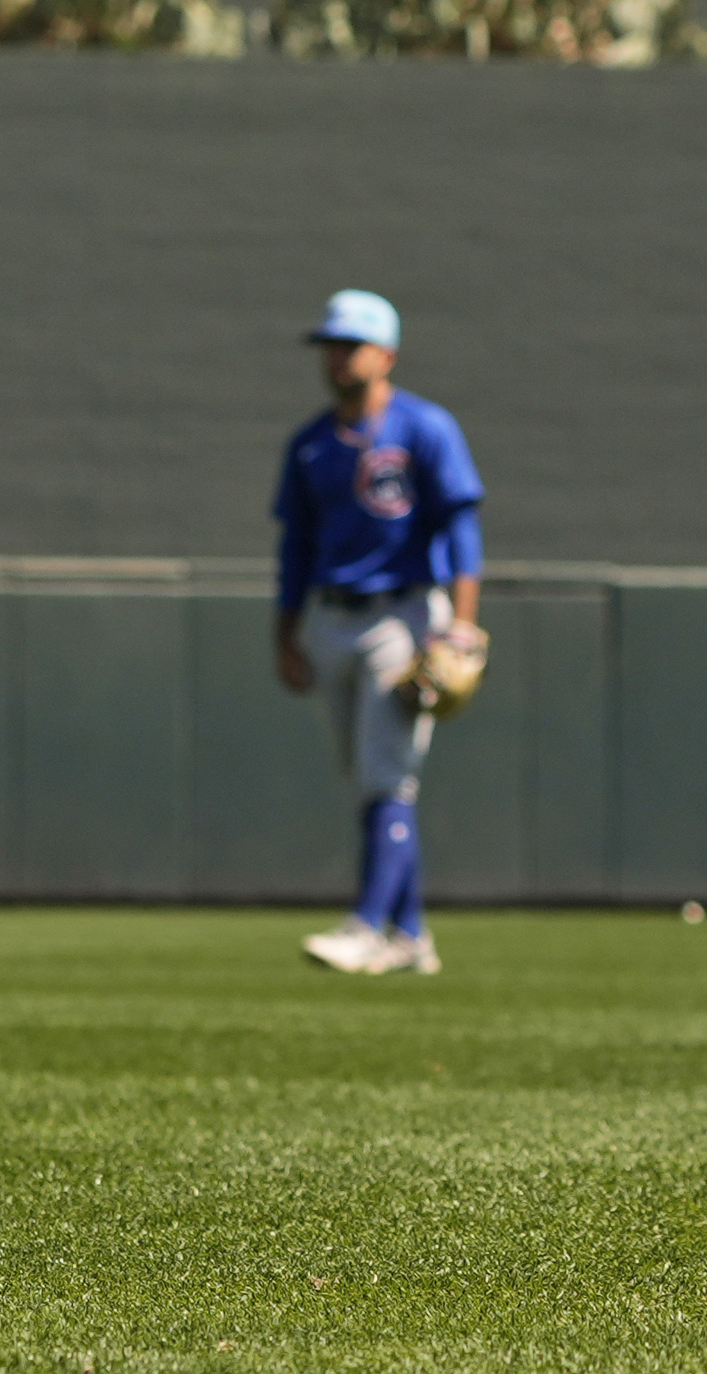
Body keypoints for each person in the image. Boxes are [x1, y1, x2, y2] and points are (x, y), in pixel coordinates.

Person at [272, 289, 488, 976]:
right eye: (330, 345)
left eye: (350, 344)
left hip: (403, 616)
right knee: (369, 778)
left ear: (386, 353)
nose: (336, 357)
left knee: (386, 777)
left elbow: (461, 526)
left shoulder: (424, 428)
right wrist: (286, 633)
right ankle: (412, 935)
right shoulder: (310, 445)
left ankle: (368, 926)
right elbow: (294, 549)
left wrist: (461, 623)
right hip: (331, 619)